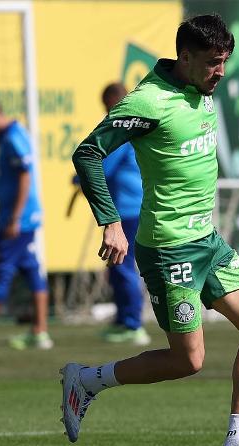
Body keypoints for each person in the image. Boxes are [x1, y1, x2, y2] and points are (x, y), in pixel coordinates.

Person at [60, 14, 239, 446]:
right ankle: (85, 381)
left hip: (207, 241)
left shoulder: (203, 88)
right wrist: (110, 222)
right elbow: (86, 154)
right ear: (185, 57)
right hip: (169, 250)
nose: (220, 71)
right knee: (189, 360)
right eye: (213, 62)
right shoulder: (148, 103)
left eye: (225, 62)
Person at [0, 96, 53, 351]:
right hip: (23, 219)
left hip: (18, 221)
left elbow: (26, 177)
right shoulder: (8, 136)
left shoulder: (13, 137)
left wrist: (14, 218)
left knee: (2, 270)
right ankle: (40, 331)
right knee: (32, 271)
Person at [98, 82, 150, 344]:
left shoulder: (123, 128)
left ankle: (133, 325)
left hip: (129, 210)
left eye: (107, 106)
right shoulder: (135, 125)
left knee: (123, 266)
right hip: (128, 208)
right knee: (116, 266)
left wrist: (79, 179)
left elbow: (103, 165)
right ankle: (123, 320)